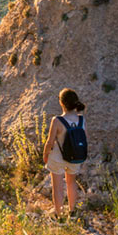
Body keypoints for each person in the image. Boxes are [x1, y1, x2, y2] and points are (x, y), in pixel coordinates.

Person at [42, 88, 87, 217]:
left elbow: (50, 142)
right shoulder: (82, 120)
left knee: (57, 187)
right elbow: (85, 139)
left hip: (57, 157)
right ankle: (72, 212)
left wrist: (45, 155)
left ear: (61, 103)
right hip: (75, 156)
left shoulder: (57, 120)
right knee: (71, 183)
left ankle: (59, 214)